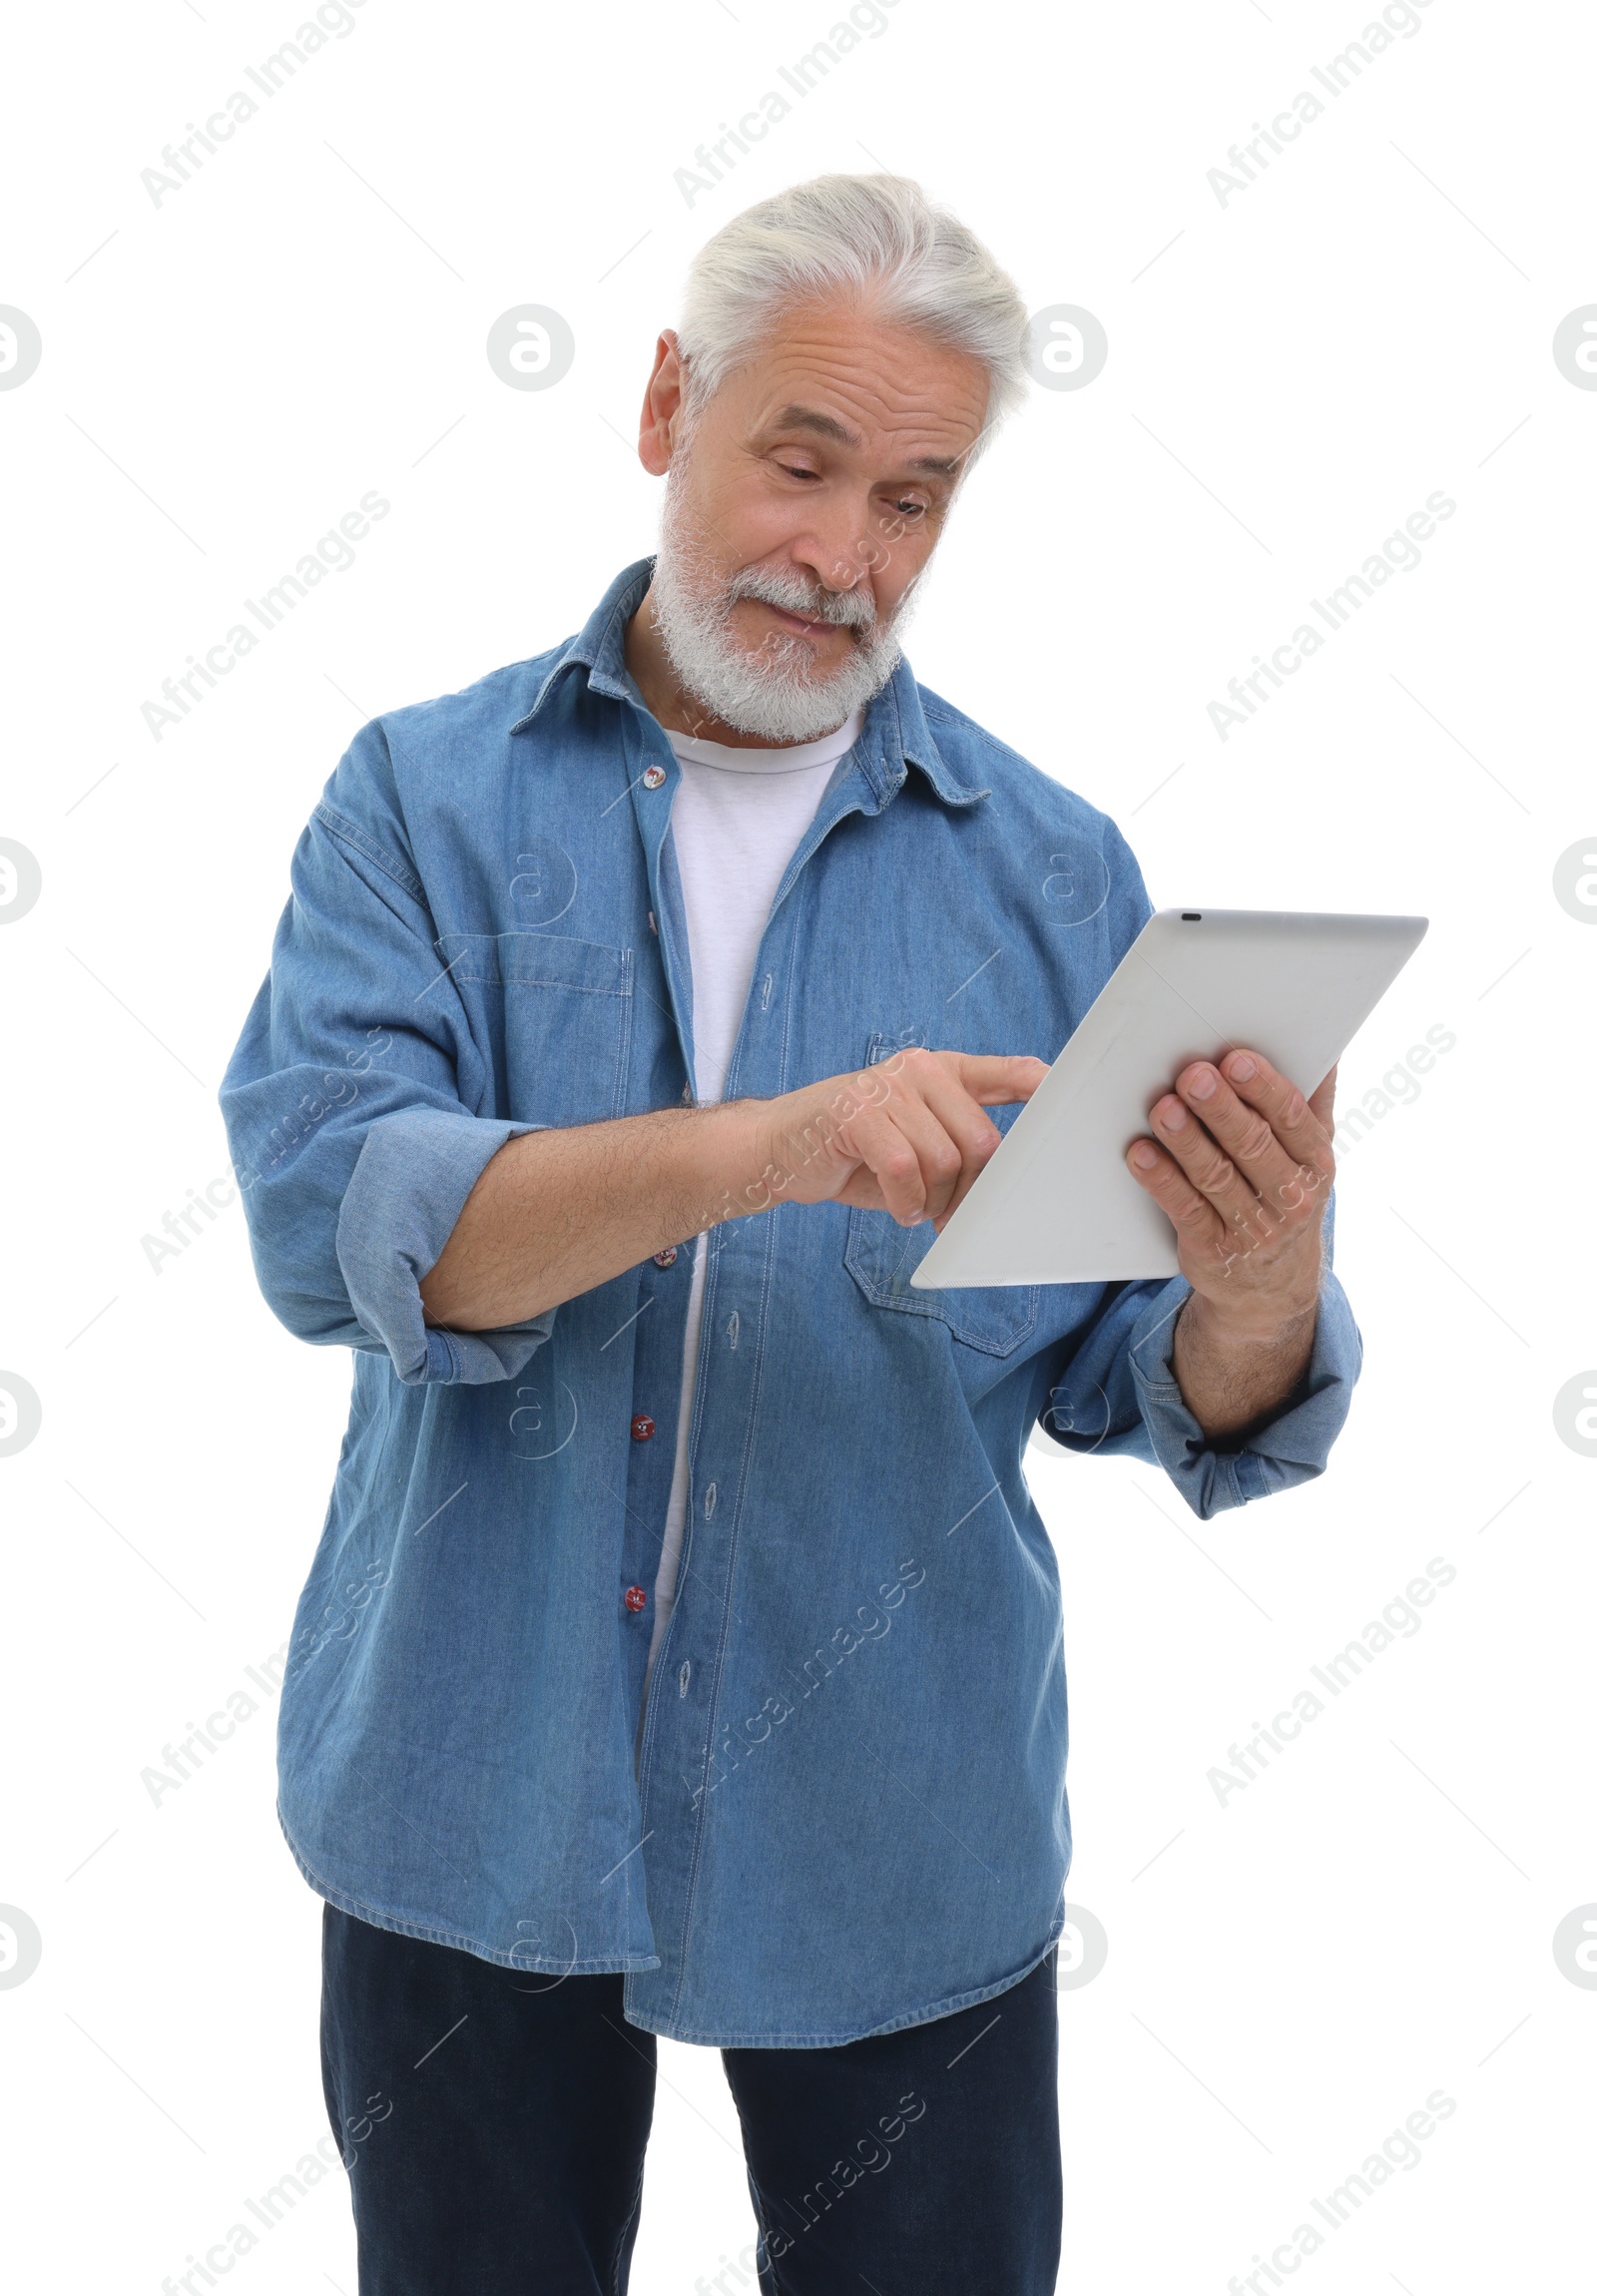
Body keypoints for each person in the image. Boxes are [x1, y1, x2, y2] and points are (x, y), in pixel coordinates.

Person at [220, 172, 1359, 2296]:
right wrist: (767, 1147)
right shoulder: (420, 801)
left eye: (913, 500)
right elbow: (339, 1227)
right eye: (802, 461)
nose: (843, 558)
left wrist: (1251, 1276)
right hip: (467, 1799)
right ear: (667, 404)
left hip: (893, 1835)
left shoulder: (1050, 872)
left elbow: (1155, 1389)